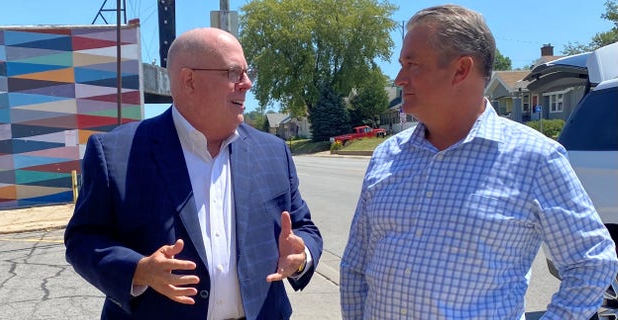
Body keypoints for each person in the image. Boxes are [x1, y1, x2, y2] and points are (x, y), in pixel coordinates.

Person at [340, 4, 618, 319]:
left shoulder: (534, 158)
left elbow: (592, 261)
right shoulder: (386, 157)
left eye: (412, 64)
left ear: (461, 69)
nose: (400, 78)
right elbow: (355, 265)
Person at [64, 27, 323, 320]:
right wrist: (137, 270)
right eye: (234, 73)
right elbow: (82, 239)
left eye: (247, 72)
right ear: (189, 80)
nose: (247, 83)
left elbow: (305, 228)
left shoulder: (273, 152)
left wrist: (302, 256)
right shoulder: (115, 153)